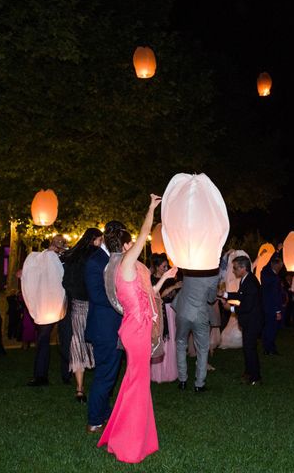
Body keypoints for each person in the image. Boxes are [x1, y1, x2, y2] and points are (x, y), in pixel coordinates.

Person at [98, 194, 177, 463]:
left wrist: (165, 278)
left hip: (138, 329)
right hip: (136, 330)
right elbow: (145, 232)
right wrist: (151, 208)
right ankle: (128, 446)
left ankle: (125, 436)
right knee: (137, 386)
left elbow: (148, 295)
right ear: (125, 243)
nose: (136, 244)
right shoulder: (125, 264)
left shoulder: (126, 269)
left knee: (134, 383)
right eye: (132, 241)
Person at [85, 221, 130, 433]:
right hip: (104, 327)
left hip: (114, 326)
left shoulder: (115, 259)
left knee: (110, 374)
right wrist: (124, 303)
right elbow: (96, 295)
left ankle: (103, 413)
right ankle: (94, 420)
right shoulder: (95, 261)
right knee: (105, 374)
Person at [62, 227, 103, 402]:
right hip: (95, 305)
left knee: (77, 343)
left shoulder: (72, 255)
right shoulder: (96, 256)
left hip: (77, 305)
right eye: (100, 240)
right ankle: (101, 384)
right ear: (95, 239)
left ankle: (79, 389)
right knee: (99, 342)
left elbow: (65, 281)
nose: (101, 243)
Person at [26, 235, 67, 386]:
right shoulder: (43, 259)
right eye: (56, 243)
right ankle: (40, 375)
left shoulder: (64, 259)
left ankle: (67, 374)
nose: (58, 245)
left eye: (61, 243)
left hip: (63, 304)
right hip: (47, 306)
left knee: (65, 339)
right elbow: (32, 272)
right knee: (43, 338)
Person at [173, 260, 219, 393]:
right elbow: (211, 299)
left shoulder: (189, 270)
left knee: (181, 344)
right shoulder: (213, 276)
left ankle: (182, 380)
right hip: (199, 315)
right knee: (202, 349)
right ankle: (199, 384)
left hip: (182, 312)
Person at [223, 255, 263, 385]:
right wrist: (224, 294)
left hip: (253, 321)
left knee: (250, 348)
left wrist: (231, 309)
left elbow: (247, 305)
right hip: (249, 320)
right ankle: (249, 372)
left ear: (243, 268)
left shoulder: (251, 282)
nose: (233, 271)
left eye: (235, 268)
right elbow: (240, 295)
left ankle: (255, 377)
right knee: (247, 347)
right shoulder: (245, 279)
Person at [150, 253, 182, 383]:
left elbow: (174, 295)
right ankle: (158, 374)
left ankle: (170, 371)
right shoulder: (151, 279)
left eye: (166, 266)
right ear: (157, 267)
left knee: (171, 340)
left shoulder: (170, 279)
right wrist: (174, 287)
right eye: (163, 266)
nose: (166, 268)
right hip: (159, 312)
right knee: (160, 339)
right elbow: (158, 295)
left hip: (171, 311)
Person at [260, 250, 284, 355]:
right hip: (273, 307)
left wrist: (277, 252)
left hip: (264, 306)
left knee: (267, 327)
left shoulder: (264, 273)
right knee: (272, 328)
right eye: (281, 265)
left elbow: (270, 263)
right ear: (278, 267)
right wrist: (278, 311)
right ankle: (270, 348)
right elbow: (276, 296)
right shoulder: (274, 279)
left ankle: (266, 347)